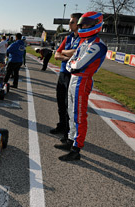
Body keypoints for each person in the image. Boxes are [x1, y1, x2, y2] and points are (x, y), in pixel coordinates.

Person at [54, 11, 107, 161]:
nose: (82, 26)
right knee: (70, 111)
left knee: (79, 115)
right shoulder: (84, 42)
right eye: (82, 23)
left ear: (95, 24)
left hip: (82, 81)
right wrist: (72, 64)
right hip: (74, 79)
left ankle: (76, 149)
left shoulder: (98, 45)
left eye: (86, 23)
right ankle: (70, 140)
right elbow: (73, 63)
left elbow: (77, 64)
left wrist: (72, 64)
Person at [50, 13, 83, 137]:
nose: (69, 24)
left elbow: (77, 53)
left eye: (72, 22)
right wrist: (66, 54)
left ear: (78, 24)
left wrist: (63, 53)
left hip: (73, 76)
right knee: (60, 103)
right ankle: (61, 125)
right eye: (69, 22)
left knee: (69, 105)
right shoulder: (68, 37)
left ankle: (68, 132)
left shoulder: (82, 39)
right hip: (62, 74)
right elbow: (56, 54)